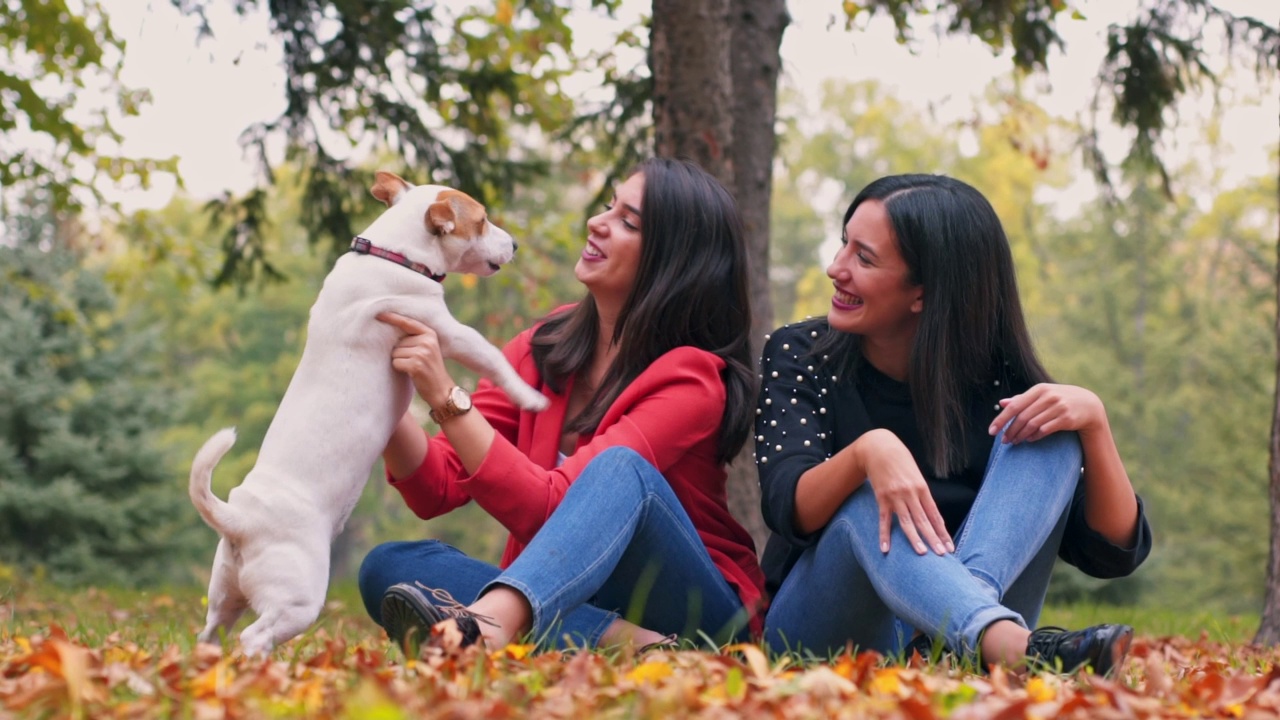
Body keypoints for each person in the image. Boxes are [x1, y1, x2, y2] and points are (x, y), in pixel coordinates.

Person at [358, 157, 766, 654]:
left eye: (628, 221)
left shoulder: (693, 379)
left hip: (694, 609)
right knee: (391, 567)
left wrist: (445, 395)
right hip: (558, 595)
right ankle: (635, 647)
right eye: (609, 206)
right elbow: (436, 487)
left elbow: (551, 508)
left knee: (621, 470)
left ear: (673, 260)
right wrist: (380, 388)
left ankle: (494, 627)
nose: (598, 221)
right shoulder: (546, 345)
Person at [755, 174, 1151, 675]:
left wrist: (1094, 424)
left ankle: (963, 637)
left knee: (1051, 433)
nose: (836, 269)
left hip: (946, 637)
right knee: (863, 498)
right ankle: (999, 641)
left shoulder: (1000, 385)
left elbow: (1112, 554)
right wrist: (865, 454)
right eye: (844, 245)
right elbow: (787, 506)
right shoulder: (801, 353)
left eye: (864, 258)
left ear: (924, 293)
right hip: (823, 634)